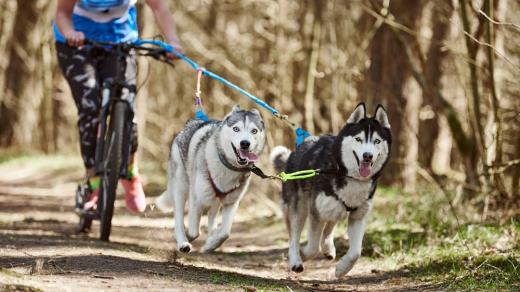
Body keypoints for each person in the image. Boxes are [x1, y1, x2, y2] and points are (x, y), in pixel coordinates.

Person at [54, 0, 184, 213]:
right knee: (90, 106)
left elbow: (160, 7)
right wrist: (70, 32)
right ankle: (92, 178)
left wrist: (173, 42)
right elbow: (62, 13)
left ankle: (130, 171)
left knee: (127, 106)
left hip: (120, 42)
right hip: (76, 43)